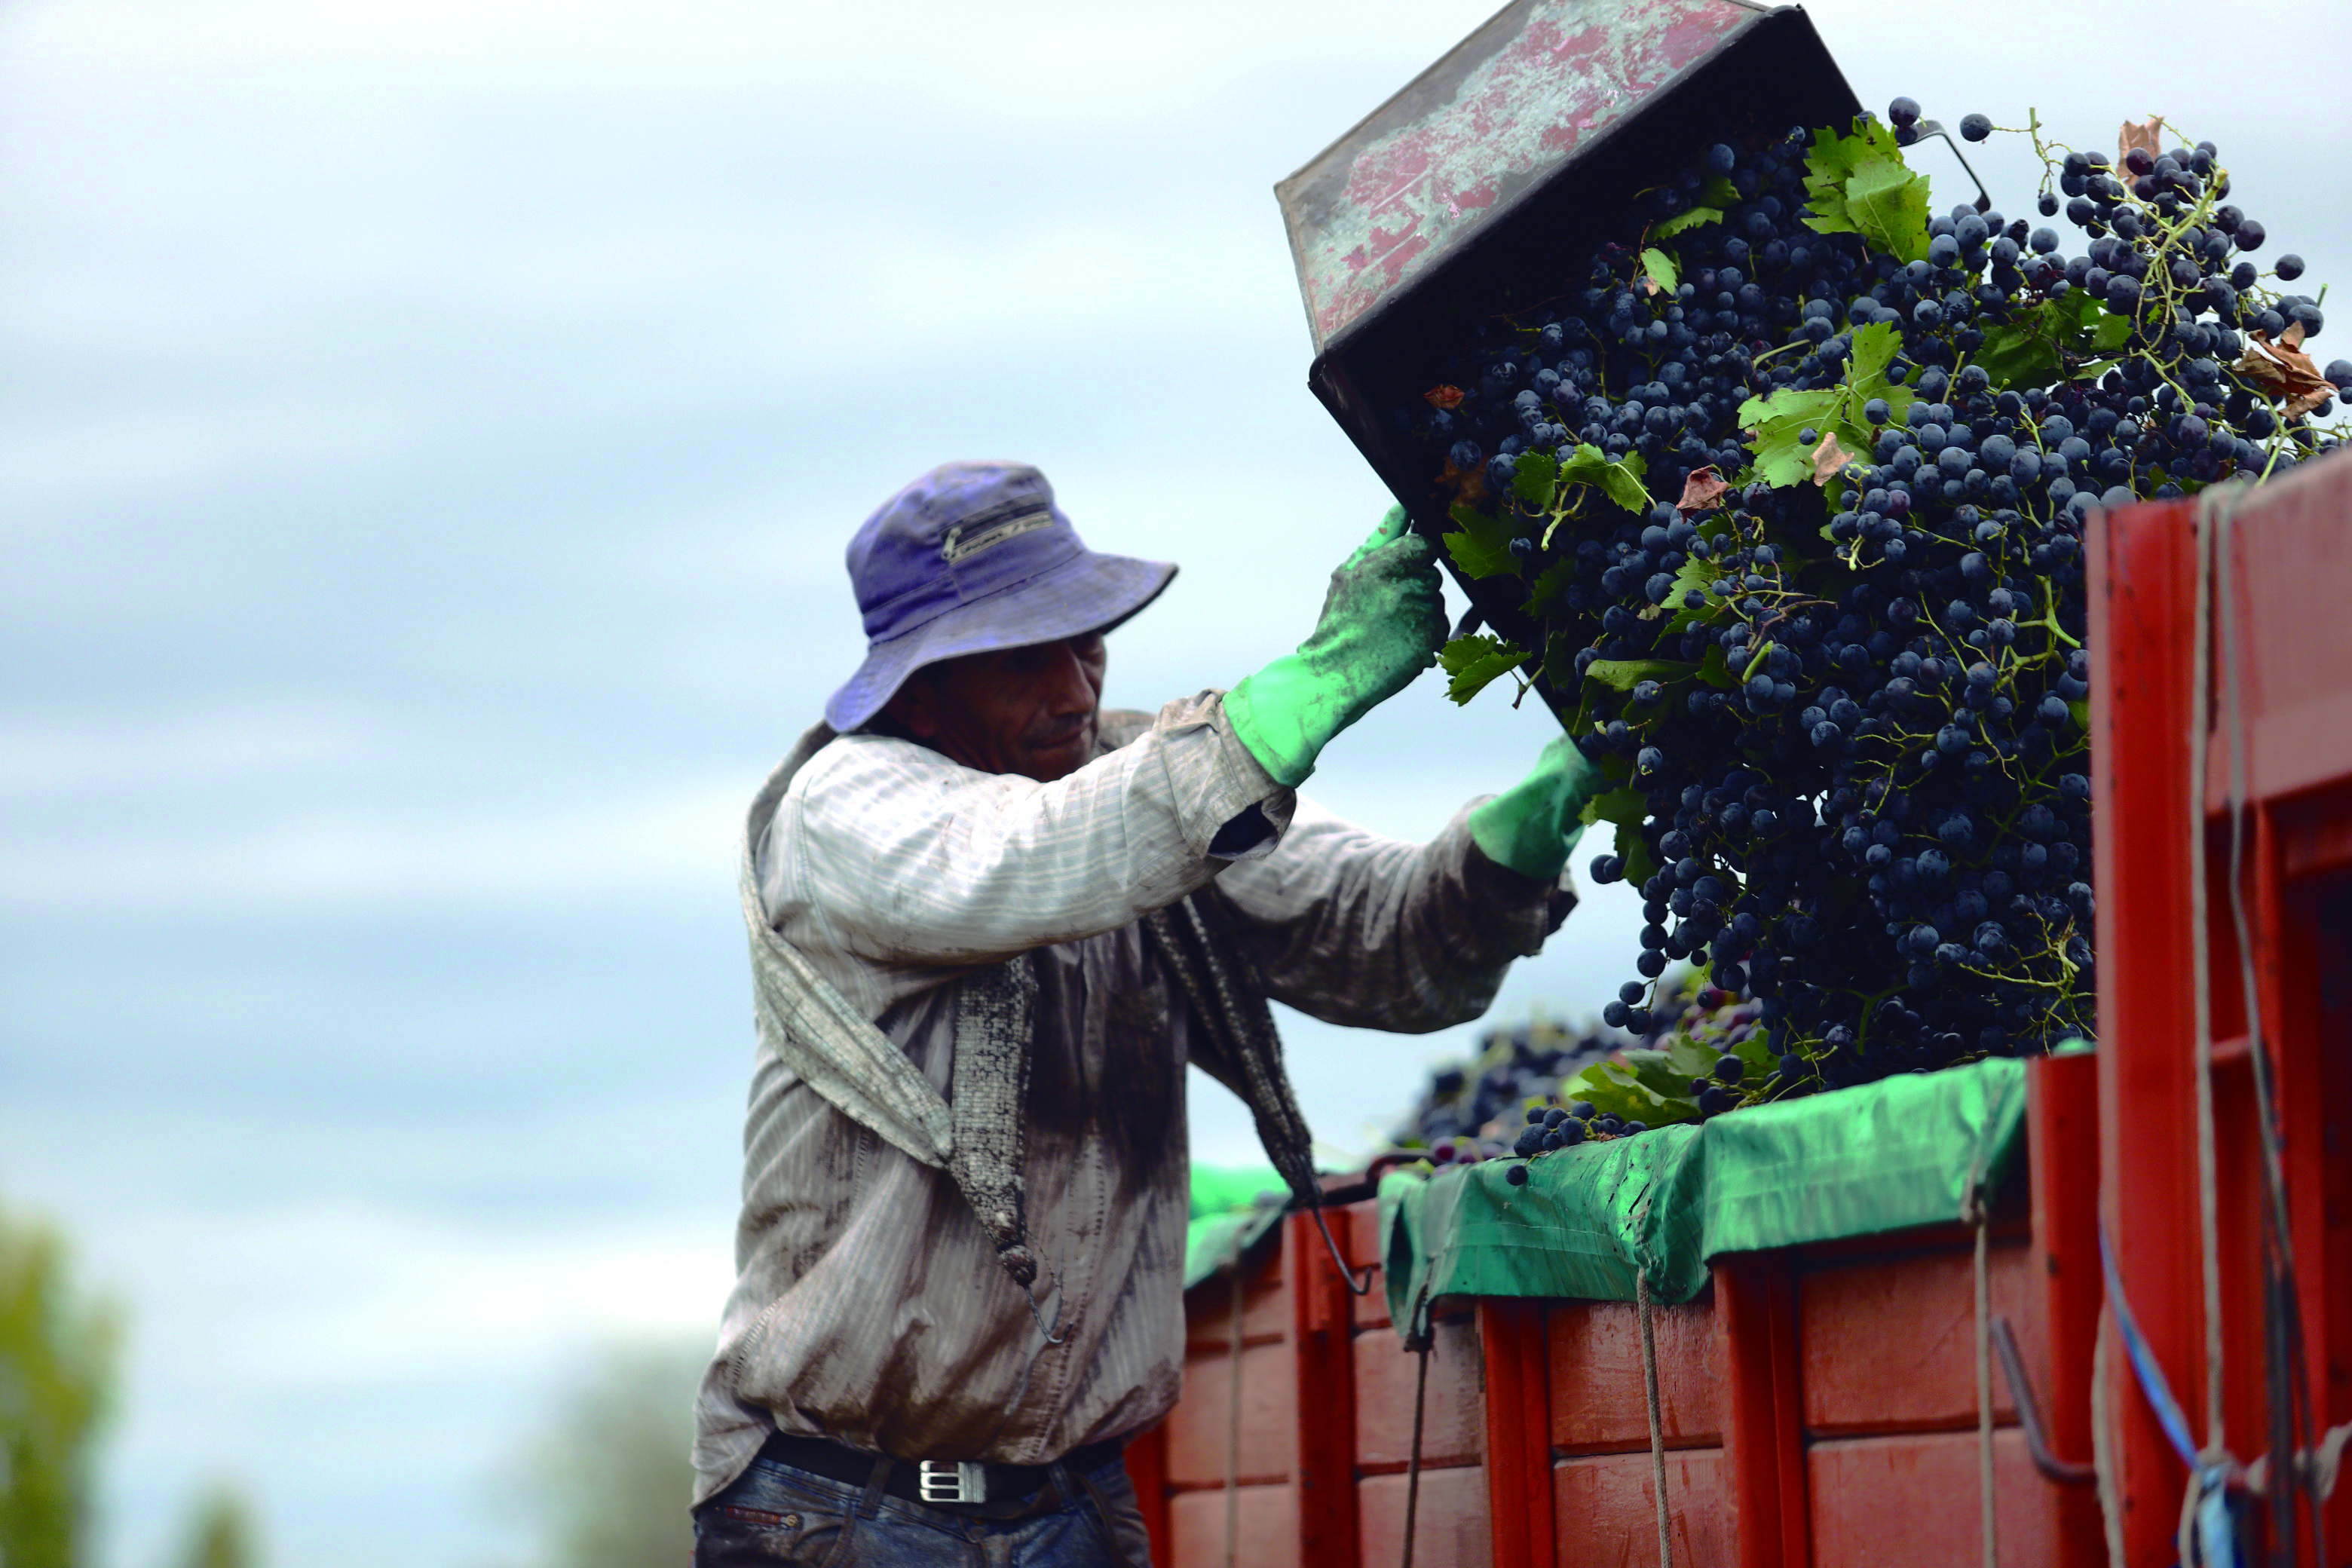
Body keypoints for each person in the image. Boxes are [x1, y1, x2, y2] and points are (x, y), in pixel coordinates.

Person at [691, 461, 1604, 1566]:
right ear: (922, 688)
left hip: (1069, 1508)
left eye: (1087, 642)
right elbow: (1034, 856)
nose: (1075, 690)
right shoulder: (846, 811)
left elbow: (1392, 950)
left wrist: (1557, 793)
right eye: (1025, 659)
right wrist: (1326, 676)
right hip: (838, 1509)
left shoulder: (1137, 786)